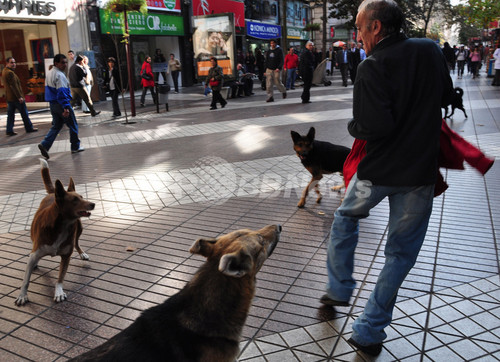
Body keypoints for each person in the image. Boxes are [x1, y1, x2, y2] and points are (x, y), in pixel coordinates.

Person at [321, 0, 454, 356]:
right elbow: (445, 96)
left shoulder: (372, 66)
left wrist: (353, 125)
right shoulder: (428, 50)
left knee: (345, 218)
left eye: (361, 28)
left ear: (376, 27)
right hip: (419, 173)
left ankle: (339, 288)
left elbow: (373, 127)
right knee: (400, 255)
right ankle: (368, 331)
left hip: (376, 172)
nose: (359, 36)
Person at [38, 54, 85, 159]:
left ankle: (45, 144)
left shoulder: (50, 73)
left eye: (65, 62)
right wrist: (65, 108)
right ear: (56, 63)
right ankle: (75, 146)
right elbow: (62, 92)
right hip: (61, 104)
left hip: (53, 104)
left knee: (56, 126)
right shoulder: (60, 75)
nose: (65, 64)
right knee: (73, 125)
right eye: (62, 62)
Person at [2, 57, 37, 136]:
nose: (14, 64)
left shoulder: (4, 71)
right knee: (24, 113)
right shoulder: (9, 73)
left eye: (14, 62)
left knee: (10, 115)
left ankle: (9, 130)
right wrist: (19, 97)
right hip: (15, 98)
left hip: (10, 98)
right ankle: (29, 128)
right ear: (7, 63)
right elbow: (14, 86)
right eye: (11, 62)